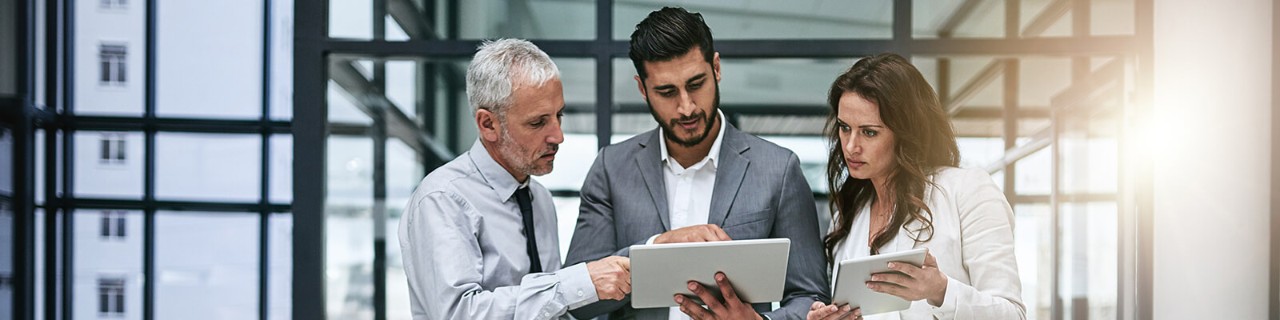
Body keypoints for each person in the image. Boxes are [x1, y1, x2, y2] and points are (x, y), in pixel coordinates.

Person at [565, 7, 829, 320]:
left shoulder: (778, 169)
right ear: (642, 89)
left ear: (716, 68)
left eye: (695, 84)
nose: (686, 107)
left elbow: (810, 295)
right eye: (666, 92)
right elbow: (576, 299)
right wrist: (656, 246)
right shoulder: (611, 168)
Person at [397, 38, 632, 320]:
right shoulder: (442, 199)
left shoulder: (539, 198)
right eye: (538, 122)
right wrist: (575, 284)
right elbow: (459, 313)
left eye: (559, 115)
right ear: (488, 125)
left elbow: (547, 309)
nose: (558, 136)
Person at [804, 53, 1025, 320]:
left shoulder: (967, 191)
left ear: (906, 133)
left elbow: (1012, 314)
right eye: (844, 128)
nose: (851, 146)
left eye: (869, 132)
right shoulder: (849, 214)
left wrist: (941, 291)